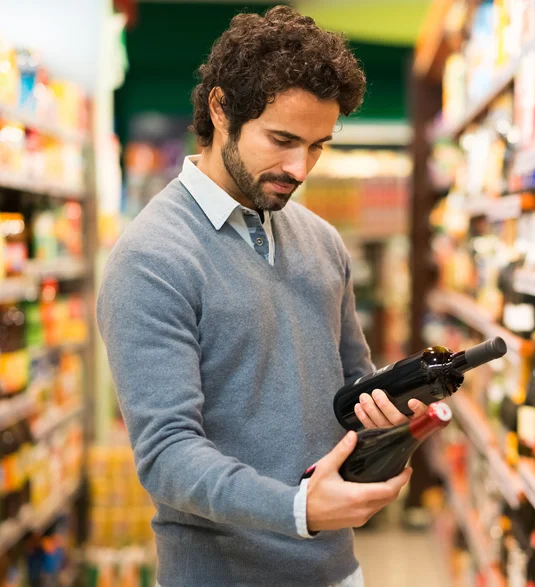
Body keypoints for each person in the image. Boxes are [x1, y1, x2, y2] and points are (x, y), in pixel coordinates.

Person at [97, 6, 426, 587]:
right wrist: (296, 511)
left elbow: (354, 389)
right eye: (282, 140)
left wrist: (395, 415)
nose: (299, 168)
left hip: (338, 571)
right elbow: (167, 455)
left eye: (318, 146)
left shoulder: (323, 243)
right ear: (221, 109)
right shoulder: (152, 258)